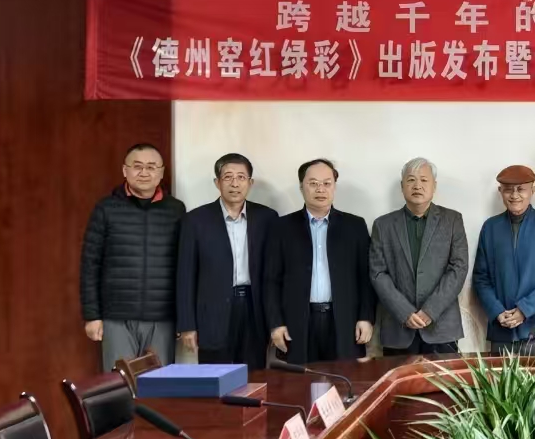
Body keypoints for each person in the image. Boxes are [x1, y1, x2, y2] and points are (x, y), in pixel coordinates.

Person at [80, 142, 186, 369]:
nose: (144, 172)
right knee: (120, 383)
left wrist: (184, 318)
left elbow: (184, 266)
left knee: (159, 384)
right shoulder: (106, 208)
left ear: (161, 173)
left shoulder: (176, 210)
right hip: (117, 317)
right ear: (125, 170)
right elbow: (90, 264)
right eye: (137, 166)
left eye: (151, 167)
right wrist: (92, 316)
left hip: (163, 317)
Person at [264, 159, 375, 363]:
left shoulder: (355, 226)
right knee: (300, 380)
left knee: (344, 379)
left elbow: (366, 278)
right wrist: (276, 323)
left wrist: (366, 318)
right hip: (298, 322)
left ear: (334, 186)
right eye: (313, 183)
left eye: (326, 183)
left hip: (344, 321)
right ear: (301, 187)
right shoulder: (282, 228)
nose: (320, 189)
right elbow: (271, 280)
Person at [176, 153, 277, 370]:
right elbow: (185, 276)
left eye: (241, 177)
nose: (235, 183)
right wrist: (187, 325)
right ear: (217, 182)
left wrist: (275, 322)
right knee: (214, 377)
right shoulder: (195, 220)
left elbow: (274, 274)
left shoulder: (267, 218)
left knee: (254, 376)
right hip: (212, 313)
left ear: (250, 183)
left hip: (254, 310)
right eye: (228, 177)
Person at [370, 158, 469, 356]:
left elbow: (458, 268)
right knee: (398, 378)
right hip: (398, 329)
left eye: (424, 180)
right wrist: (404, 312)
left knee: (444, 378)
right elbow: (378, 273)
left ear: (434, 186)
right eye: (411, 180)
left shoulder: (452, 220)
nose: (417, 186)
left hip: (442, 329)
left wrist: (430, 310)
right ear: (402, 186)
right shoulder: (383, 225)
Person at [472, 165, 535, 355]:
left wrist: (525, 309)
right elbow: (481, 277)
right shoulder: (490, 228)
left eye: (521, 189)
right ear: (500, 191)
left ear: (533, 190)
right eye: (508, 189)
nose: (514, 195)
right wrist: (497, 311)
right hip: (502, 330)